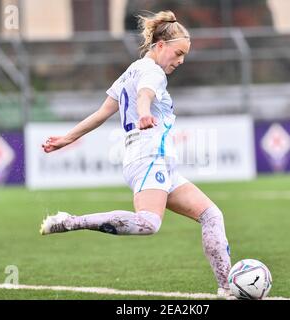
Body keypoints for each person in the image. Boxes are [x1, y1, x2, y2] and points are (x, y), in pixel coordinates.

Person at [40, 10, 233, 299]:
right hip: (147, 155)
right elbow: (145, 95)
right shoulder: (151, 72)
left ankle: (228, 287)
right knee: (148, 223)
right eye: (178, 53)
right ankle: (71, 221)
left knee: (211, 215)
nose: (180, 60)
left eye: (184, 55)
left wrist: (67, 138)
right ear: (160, 46)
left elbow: (101, 113)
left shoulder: (132, 69)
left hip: (159, 160)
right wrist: (144, 114)